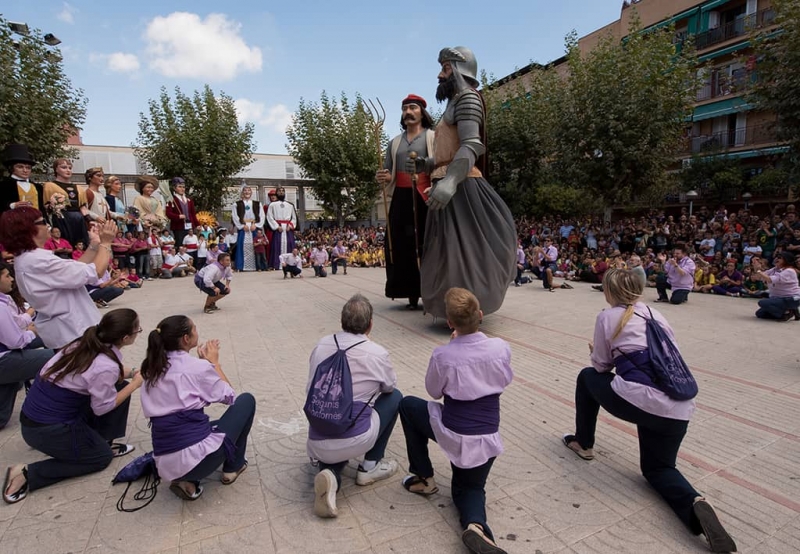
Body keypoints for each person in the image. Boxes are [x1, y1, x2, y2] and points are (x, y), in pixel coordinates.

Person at [562, 269, 736, 553]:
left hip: (642, 401)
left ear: (609, 291)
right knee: (659, 469)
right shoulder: (656, 314)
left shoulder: (607, 317)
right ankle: (695, 504)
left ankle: (584, 442)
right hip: (678, 407)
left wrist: (597, 351)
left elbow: (601, 366)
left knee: (586, 377)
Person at [399, 288, 512, 554]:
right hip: (486, 436)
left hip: (453, 431)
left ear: (450, 323)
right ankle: (476, 526)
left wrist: (453, 347)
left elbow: (433, 391)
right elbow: (505, 380)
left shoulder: (443, 355)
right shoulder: (500, 347)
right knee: (469, 488)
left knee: (408, 406)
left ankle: (424, 477)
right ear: (481, 315)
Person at [408, 47, 516, 319]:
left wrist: (449, 183)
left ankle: (466, 311)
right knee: (448, 254)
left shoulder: (468, 98)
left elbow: (471, 146)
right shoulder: (453, 103)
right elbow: (449, 152)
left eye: (445, 68)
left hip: (461, 188)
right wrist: (427, 164)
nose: (440, 74)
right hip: (449, 186)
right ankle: (454, 310)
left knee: (464, 253)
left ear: (458, 69)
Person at [2, 309, 142, 504]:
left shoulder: (84, 343)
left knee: (119, 386)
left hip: (36, 418)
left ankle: (100, 441)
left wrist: (135, 372)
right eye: (138, 330)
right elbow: (103, 405)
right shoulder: (105, 364)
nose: (138, 332)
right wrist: (136, 384)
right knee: (100, 458)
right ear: (126, 337)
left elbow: (103, 374)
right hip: (46, 428)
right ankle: (26, 474)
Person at [139, 315, 255, 501]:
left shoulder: (150, 368)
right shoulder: (197, 367)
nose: (196, 331)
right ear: (186, 338)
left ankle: (186, 482)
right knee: (246, 401)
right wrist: (213, 364)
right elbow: (229, 396)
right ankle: (233, 467)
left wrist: (204, 365)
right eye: (194, 328)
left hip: (165, 462)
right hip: (197, 462)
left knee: (211, 424)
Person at [307, 294, 402, 518]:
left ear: (341, 320)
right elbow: (388, 387)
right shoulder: (376, 352)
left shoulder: (321, 344)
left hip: (318, 435)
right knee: (395, 397)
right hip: (355, 437)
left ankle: (330, 475)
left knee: (333, 418)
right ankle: (370, 466)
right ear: (370, 325)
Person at [0, 208, 118, 349]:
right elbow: (96, 272)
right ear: (31, 229)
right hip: (75, 331)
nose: (48, 226)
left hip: (65, 331)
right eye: (43, 222)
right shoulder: (38, 260)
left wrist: (94, 244)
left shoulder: (28, 258)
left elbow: (75, 269)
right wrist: (106, 243)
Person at [375, 94, 435, 309]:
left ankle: (430, 290)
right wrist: (384, 177)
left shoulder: (433, 137)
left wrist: (425, 165)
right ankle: (408, 290)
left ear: (422, 112)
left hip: (424, 195)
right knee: (400, 243)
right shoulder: (395, 143)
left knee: (427, 243)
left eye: (413, 108)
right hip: (401, 196)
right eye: (405, 109)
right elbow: (389, 172)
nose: (408, 112)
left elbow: (441, 163)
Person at [0, 262, 56, 430]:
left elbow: (17, 321)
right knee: (59, 356)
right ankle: (45, 409)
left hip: (6, 353)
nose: (11, 279)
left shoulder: (4, 300)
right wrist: (32, 331)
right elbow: (15, 341)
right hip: (4, 358)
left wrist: (31, 316)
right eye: (7, 276)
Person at [44, 158, 89, 247]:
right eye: (64, 167)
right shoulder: (49, 186)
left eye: (69, 168)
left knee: (81, 244)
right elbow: (46, 206)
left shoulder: (79, 188)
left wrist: (88, 219)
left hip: (78, 219)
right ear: (56, 169)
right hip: (61, 218)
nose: (68, 170)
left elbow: (83, 207)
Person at [751, 253, 800, 321]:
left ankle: (787, 312)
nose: (777, 259)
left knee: (762, 303)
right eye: (777, 257)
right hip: (777, 298)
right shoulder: (774, 269)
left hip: (790, 298)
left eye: (780, 257)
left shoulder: (789, 271)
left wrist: (759, 271)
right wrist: (756, 267)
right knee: (760, 314)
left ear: (786, 260)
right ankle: (790, 310)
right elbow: (759, 277)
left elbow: (770, 279)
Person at [231, 183, 264, 272]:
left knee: (256, 246)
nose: (247, 192)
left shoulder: (257, 204)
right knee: (242, 245)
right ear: (242, 192)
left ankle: (257, 266)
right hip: (243, 227)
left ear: (251, 192)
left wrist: (256, 225)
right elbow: (235, 216)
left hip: (253, 227)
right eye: (245, 190)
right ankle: (241, 266)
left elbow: (261, 215)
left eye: (249, 190)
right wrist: (242, 226)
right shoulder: (236, 204)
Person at [266, 186, 297, 270]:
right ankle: (276, 264)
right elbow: (269, 217)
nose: (281, 192)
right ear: (276, 193)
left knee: (289, 245)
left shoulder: (290, 205)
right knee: (276, 246)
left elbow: (294, 217)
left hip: (287, 228)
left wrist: (290, 226)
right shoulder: (272, 205)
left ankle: (290, 264)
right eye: (279, 191)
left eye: (283, 191)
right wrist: (276, 226)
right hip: (278, 228)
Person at [165, 177, 199, 248]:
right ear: (174, 188)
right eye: (179, 187)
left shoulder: (189, 200)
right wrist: (178, 216)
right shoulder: (171, 200)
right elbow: (168, 213)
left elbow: (193, 214)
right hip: (179, 227)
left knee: (190, 245)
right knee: (180, 245)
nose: (182, 189)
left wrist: (197, 224)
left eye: (183, 187)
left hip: (190, 226)